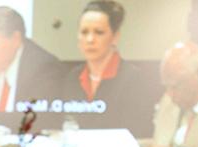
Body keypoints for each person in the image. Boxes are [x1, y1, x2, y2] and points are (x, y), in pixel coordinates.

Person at [54, 0, 154, 137]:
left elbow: (140, 133)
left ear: (115, 37)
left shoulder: (135, 79)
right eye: (84, 32)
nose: (90, 39)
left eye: (99, 32)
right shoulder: (72, 78)